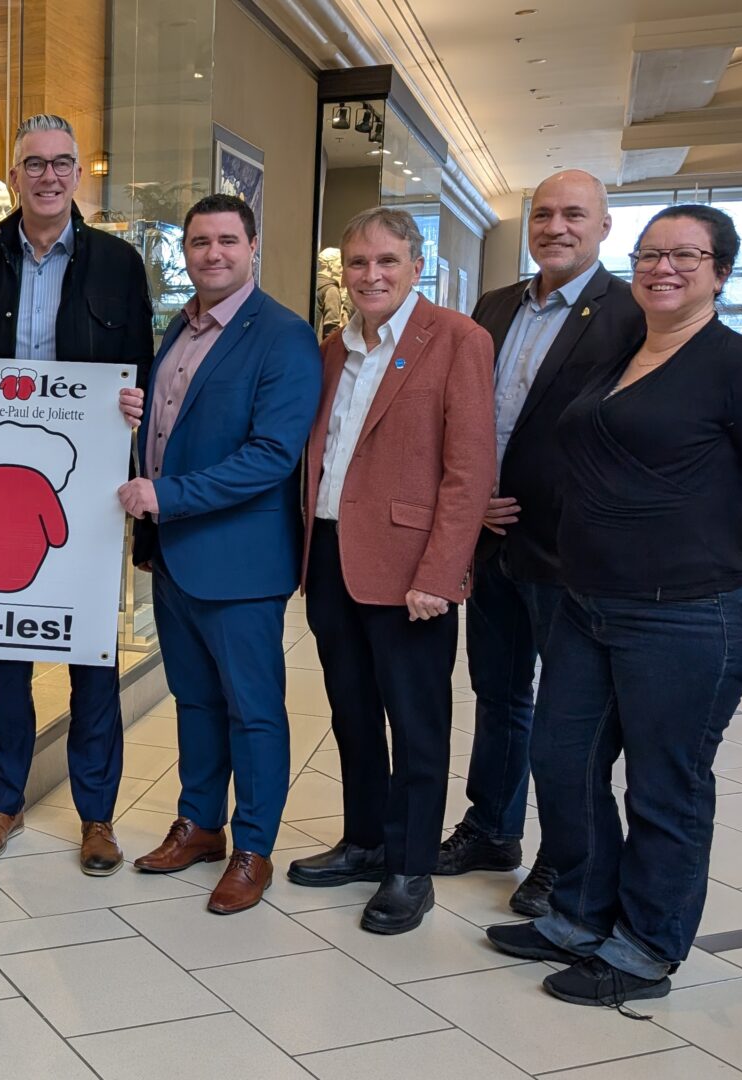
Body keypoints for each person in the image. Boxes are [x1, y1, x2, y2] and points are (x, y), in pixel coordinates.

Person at [488, 205, 742, 1007]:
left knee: (664, 788)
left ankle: (644, 948)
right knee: (563, 764)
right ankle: (578, 913)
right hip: (587, 602)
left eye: (685, 255)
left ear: (718, 271)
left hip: (687, 616)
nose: (662, 267)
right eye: (650, 253)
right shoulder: (622, 351)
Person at [0, 113, 156, 875]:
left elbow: (144, 369)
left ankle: (97, 816)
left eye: (62, 163)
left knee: (92, 659)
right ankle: (5, 802)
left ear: (78, 174)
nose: (48, 177)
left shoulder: (118, 264)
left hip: (89, 493)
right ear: (15, 176)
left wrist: (134, 417)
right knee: (5, 658)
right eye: (33, 164)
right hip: (0, 488)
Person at [437, 171, 643, 918]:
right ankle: (492, 828)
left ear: (604, 227)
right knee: (499, 695)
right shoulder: (495, 306)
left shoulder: (627, 313)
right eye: (545, 213)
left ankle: (567, 859)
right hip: (487, 542)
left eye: (574, 214)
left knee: (569, 716)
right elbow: (466, 413)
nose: (556, 226)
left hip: (567, 549)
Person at [288, 206, 494, 935]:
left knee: (416, 724)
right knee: (351, 717)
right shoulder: (331, 349)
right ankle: (366, 840)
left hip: (412, 574)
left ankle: (410, 868)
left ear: (416, 266)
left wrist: (442, 574)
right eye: (356, 263)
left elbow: (469, 472)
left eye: (385, 262)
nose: (369, 276)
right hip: (336, 559)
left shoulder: (458, 340)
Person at [114, 194, 321, 914]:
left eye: (227, 241)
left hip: (240, 561)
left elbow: (270, 456)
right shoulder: (179, 327)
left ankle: (254, 847)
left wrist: (167, 498)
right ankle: (200, 823)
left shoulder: (284, 337)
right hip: (174, 558)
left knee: (253, 710)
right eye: (199, 243)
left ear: (253, 246)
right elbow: (174, 428)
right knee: (196, 702)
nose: (212, 255)